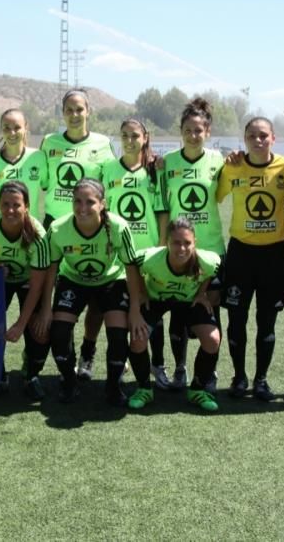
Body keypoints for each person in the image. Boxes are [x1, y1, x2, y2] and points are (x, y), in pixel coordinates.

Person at [37, 179, 145, 405]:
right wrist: (46, 308)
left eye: (90, 202)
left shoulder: (118, 227)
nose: (82, 208)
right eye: (77, 201)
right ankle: (69, 381)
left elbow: (131, 269)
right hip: (73, 280)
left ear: (102, 204)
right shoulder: (58, 228)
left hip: (111, 281)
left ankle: (113, 387)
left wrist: (134, 310)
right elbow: (51, 269)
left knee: (118, 334)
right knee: (58, 332)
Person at [217, 117, 284, 401]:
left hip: (274, 255)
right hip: (241, 254)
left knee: (267, 322)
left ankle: (261, 380)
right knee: (236, 320)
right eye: (252, 135)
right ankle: (239, 377)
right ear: (244, 139)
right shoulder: (232, 166)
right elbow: (212, 196)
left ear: (273, 138)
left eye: (263, 135)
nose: (258, 140)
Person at [39, 89, 116, 381]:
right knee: (58, 296)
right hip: (57, 228)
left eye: (79, 109)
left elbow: (113, 180)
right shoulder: (49, 143)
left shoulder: (103, 144)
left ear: (89, 112)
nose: (74, 115)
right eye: (69, 110)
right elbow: (40, 176)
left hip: (91, 228)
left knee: (94, 298)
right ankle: (65, 361)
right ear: (63, 113)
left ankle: (88, 350)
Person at [159, 97, 225, 390]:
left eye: (199, 130)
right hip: (178, 251)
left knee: (210, 309)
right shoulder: (166, 163)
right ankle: (180, 369)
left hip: (210, 250)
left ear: (207, 132)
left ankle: (208, 372)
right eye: (188, 129)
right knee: (178, 308)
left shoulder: (220, 162)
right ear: (181, 131)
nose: (193, 135)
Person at [100, 118, 170, 386]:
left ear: (145, 137)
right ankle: (126, 358)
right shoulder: (107, 170)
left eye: (135, 135)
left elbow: (162, 212)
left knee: (152, 310)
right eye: (124, 136)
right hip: (118, 253)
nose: (129, 140)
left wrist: (161, 249)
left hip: (148, 253)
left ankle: (158, 364)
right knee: (121, 307)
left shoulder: (155, 170)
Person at [0, 181, 51, 399]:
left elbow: (36, 284)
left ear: (27, 206)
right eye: (5, 204)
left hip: (27, 282)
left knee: (39, 331)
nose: (10, 210)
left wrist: (21, 324)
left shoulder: (38, 236)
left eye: (16, 205)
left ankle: (31, 375)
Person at [131, 218, 222, 412]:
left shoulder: (207, 260)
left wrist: (201, 293)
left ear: (195, 242)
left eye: (187, 243)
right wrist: (141, 293)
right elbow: (132, 265)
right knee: (138, 338)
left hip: (188, 301)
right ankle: (144, 389)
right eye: (176, 243)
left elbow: (210, 271)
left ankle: (197, 390)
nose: (181, 248)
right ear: (167, 243)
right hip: (156, 299)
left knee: (213, 339)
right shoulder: (150, 258)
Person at [0, 109, 48, 218]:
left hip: (28, 230)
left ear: (26, 127)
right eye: (7, 128)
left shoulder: (38, 157)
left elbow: (49, 187)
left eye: (17, 127)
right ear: (1, 129)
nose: (12, 133)